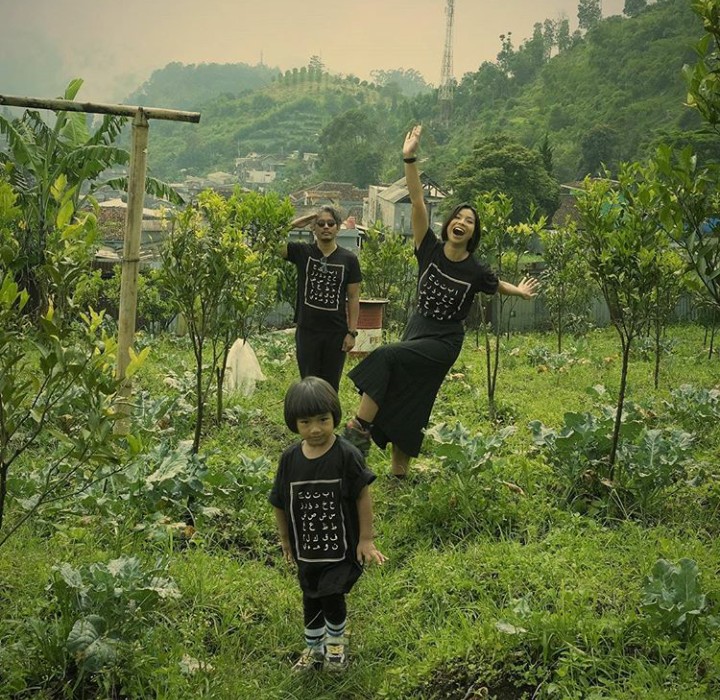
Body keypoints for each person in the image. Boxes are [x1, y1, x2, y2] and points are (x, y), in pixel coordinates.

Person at [344, 124, 540, 478]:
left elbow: (496, 286)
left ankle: (357, 432)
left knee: (386, 355)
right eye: (458, 217)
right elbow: (418, 199)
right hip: (417, 326)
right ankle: (399, 474)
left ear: (472, 233)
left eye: (470, 221)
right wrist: (409, 158)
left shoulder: (476, 269)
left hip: (444, 340)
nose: (462, 222)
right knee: (411, 398)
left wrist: (521, 291)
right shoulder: (429, 249)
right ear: (449, 224)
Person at [269, 376, 386, 672]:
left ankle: (335, 648)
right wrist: (285, 540)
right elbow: (279, 502)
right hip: (307, 551)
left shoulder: (346, 455)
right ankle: (312, 649)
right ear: (293, 423)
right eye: (306, 422)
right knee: (310, 598)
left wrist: (366, 539)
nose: (316, 429)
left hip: (340, 550)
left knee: (332, 598)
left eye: (323, 419)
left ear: (335, 415)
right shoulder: (289, 460)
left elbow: (362, 495)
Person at [279, 206, 361, 392]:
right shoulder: (302, 252)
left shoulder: (349, 259)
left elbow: (354, 296)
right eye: (320, 223)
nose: (326, 227)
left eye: (331, 223)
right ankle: (311, 418)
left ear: (338, 228)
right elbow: (272, 240)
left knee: (331, 386)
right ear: (313, 228)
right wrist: (301, 220)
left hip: (336, 333)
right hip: (307, 330)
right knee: (309, 384)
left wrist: (352, 332)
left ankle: (329, 420)